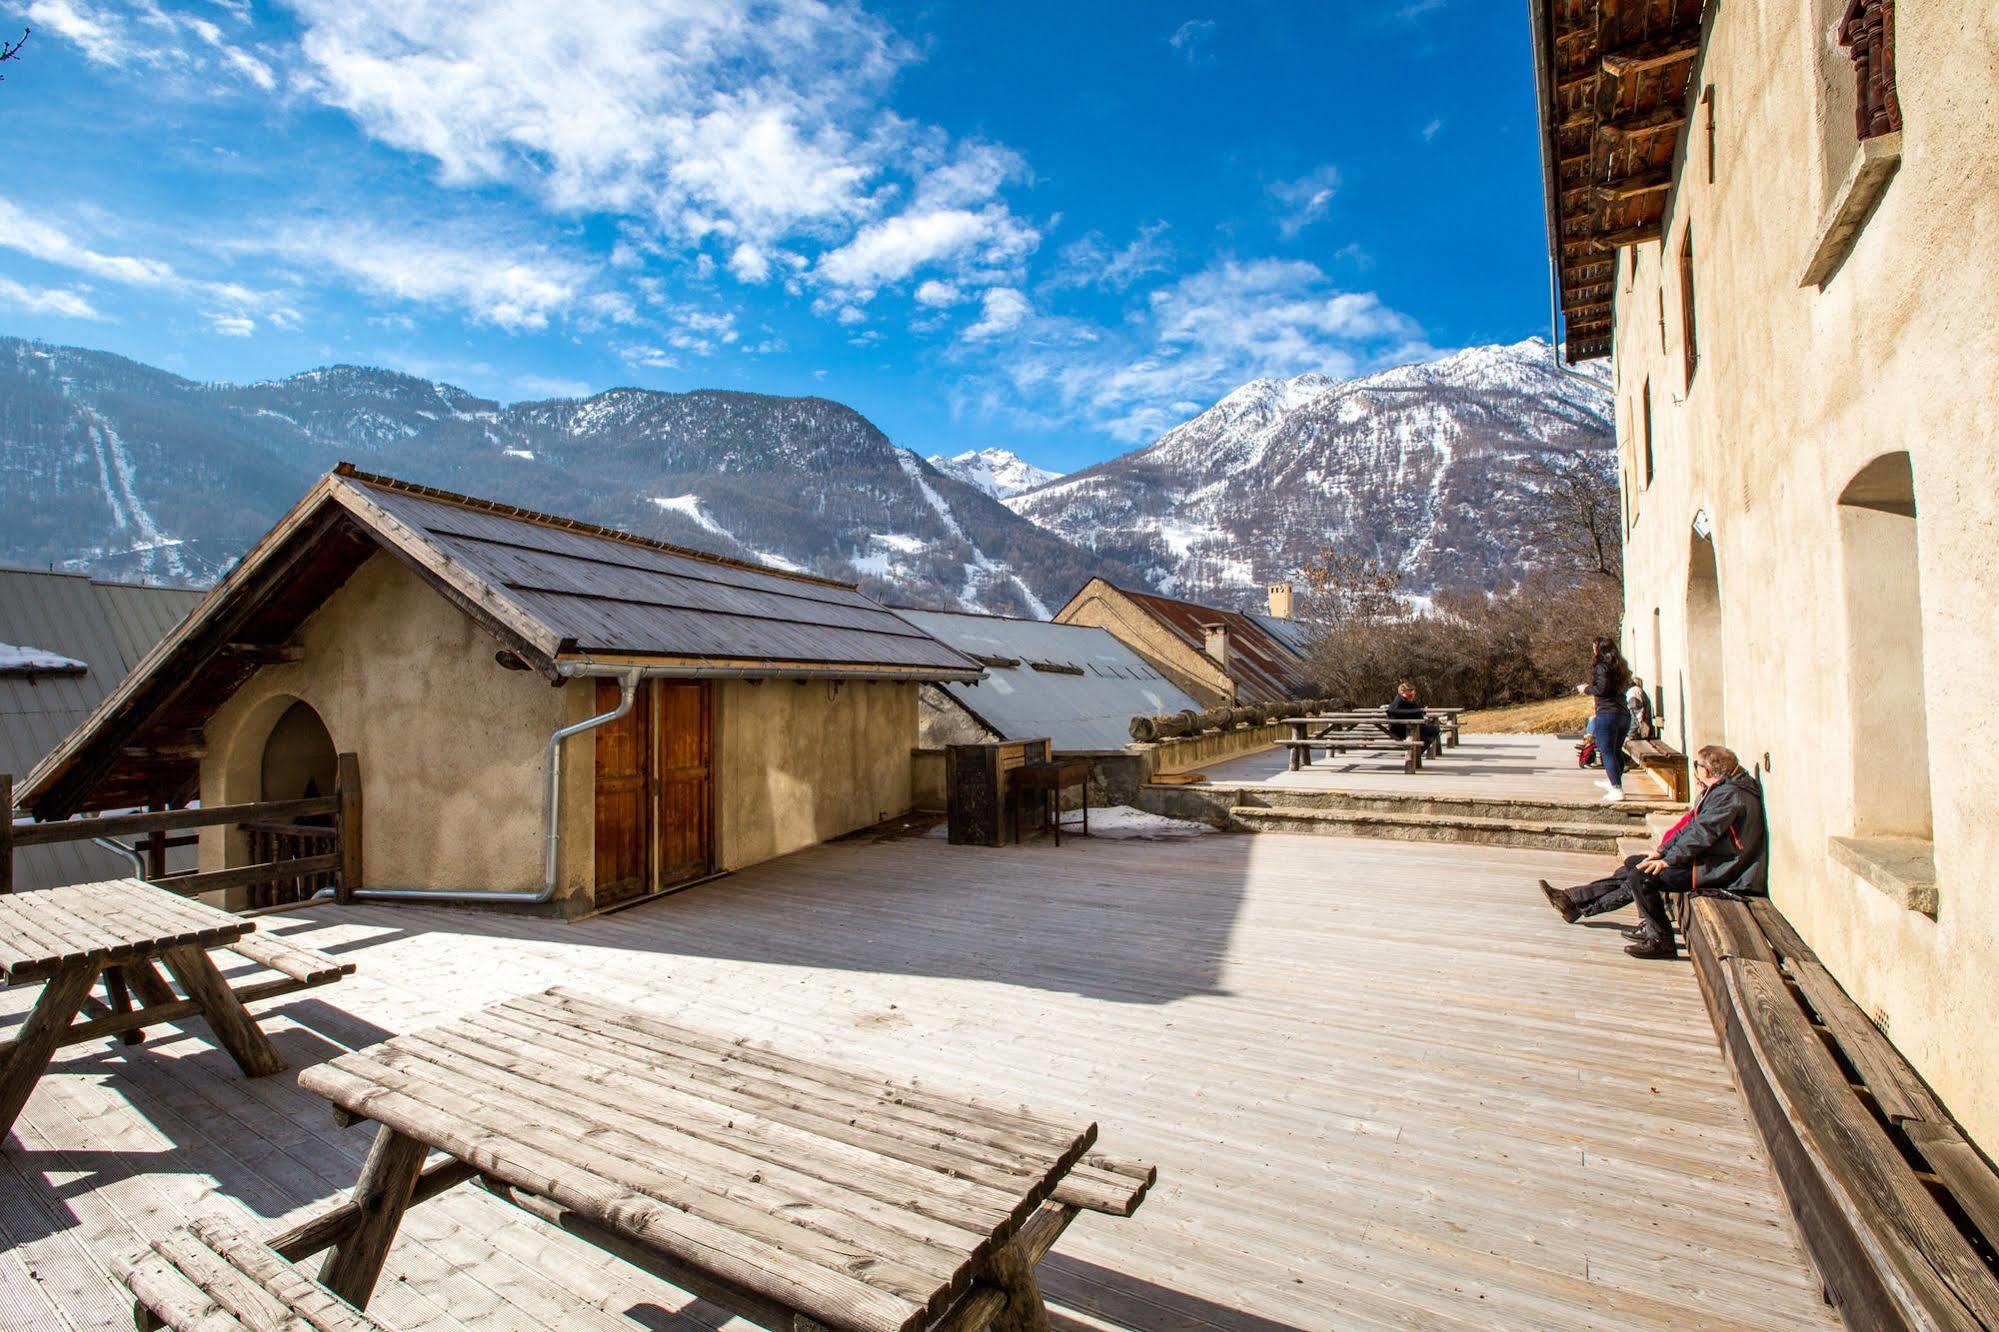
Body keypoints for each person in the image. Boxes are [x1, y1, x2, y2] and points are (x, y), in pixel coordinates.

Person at [1536, 744, 1767, 959]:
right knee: (1635, 864)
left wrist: (1669, 860)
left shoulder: (1729, 795)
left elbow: (1702, 834)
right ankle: (1574, 901)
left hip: (1722, 869)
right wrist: (1662, 852)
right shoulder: (1722, 788)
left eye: (1696, 766)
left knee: (1642, 876)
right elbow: (1692, 827)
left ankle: (1660, 940)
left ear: (1707, 771)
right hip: (1708, 860)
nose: (1694, 771)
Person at [1574, 636, 1632, 801]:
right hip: (1623, 714)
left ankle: (1616, 788)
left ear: (1600, 649)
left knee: (1606, 750)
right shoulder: (1621, 666)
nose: (1593, 650)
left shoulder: (1602, 667)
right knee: (1615, 750)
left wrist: (1586, 689)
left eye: (1595, 647)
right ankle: (1614, 780)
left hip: (1608, 714)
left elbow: (1602, 688)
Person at [1383, 681, 1442, 753]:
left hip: (1409, 727)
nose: (1412, 693)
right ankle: (1418, 751)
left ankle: (1418, 750)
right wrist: (1417, 711)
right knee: (1434, 730)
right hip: (1401, 729)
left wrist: (1417, 708)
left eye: (1413, 692)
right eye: (1410, 691)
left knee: (1434, 729)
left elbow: (1417, 713)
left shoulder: (1408, 701)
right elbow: (1391, 711)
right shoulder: (1399, 699)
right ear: (1403, 692)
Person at [1626, 675, 1657, 740]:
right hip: (1641, 733)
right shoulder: (1636, 691)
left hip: (1637, 735)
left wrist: (1631, 735)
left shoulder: (1634, 692)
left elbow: (1637, 715)